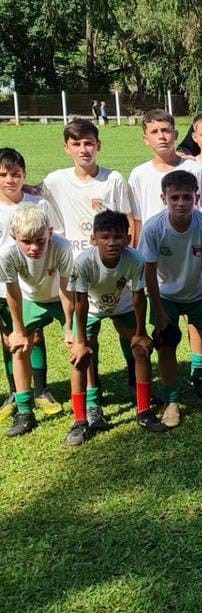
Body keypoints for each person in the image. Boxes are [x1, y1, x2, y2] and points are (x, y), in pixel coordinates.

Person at [69, 210, 165, 444]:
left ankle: (144, 410)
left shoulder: (135, 259)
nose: (112, 242)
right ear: (94, 239)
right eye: (105, 237)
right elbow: (79, 302)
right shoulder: (83, 262)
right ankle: (83, 417)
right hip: (91, 308)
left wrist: (141, 333)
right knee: (81, 357)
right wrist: (80, 340)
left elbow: (138, 296)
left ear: (128, 238)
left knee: (140, 349)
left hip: (123, 305)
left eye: (118, 236)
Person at [139, 170, 202, 427]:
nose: (181, 203)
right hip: (165, 295)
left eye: (187, 197)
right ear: (164, 199)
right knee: (166, 344)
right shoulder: (153, 227)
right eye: (174, 198)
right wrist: (159, 310)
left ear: (197, 198)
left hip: (198, 293)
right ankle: (171, 400)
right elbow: (149, 273)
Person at [0, 205, 73, 437]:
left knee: (79, 344)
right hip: (30, 299)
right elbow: (13, 292)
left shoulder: (63, 247)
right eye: (26, 241)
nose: (34, 248)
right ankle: (24, 412)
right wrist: (19, 330)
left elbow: (66, 290)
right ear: (14, 236)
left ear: (50, 233)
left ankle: (88, 407)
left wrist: (70, 328)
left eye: (40, 241)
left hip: (59, 298)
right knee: (19, 348)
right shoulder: (7, 254)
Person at [0, 148, 62, 418]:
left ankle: (41, 390)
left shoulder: (38, 203)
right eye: (3, 175)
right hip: (3, 284)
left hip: (32, 282)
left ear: (24, 175)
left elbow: (55, 235)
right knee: (10, 338)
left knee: (34, 335)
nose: (10, 180)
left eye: (15, 174)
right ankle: (15, 392)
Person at [42, 119, 133, 255]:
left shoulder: (113, 179)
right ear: (66, 148)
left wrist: (127, 255)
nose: (83, 150)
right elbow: (25, 192)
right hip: (71, 260)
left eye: (88, 143)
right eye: (76, 144)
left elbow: (128, 222)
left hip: (106, 260)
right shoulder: (54, 180)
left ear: (98, 145)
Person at [128, 109, 202, 246]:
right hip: (155, 246)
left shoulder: (194, 169)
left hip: (191, 245)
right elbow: (137, 220)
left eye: (166, 130)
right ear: (146, 139)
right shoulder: (138, 174)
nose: (161, 136)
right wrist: (138, 251)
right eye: (154, 132)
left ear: (175, 135)